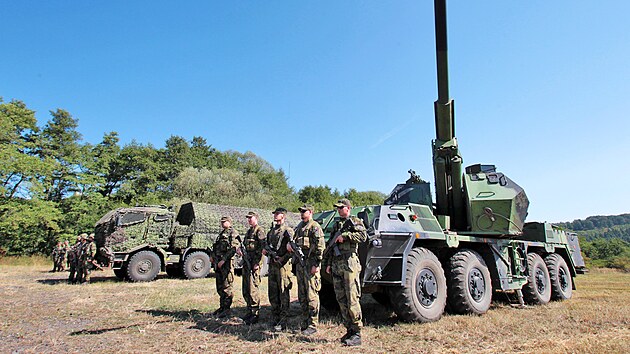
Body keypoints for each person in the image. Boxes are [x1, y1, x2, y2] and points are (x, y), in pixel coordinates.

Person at [323, 198, 367, 346]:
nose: (339, 210)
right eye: (338, 208)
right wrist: (328, 264)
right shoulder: (336, 224)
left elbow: (363, 236)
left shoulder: (355, 221)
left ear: (348, 208)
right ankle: (348, 329)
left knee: (352, 298)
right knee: (341, 298)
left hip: (349, 263)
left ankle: (357, 332)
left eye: (342, 208)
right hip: (336, 264)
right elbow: (331, 246)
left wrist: (346, 236)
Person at [287, 204, 325, 335]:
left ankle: (313, 324)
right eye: (301, 211)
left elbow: (320, 247)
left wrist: (316, 264)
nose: (302, 213)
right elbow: (294, 242)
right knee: (302, 295)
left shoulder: (314, 227)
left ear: (311, 212)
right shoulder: (299, 227)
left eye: (304, 211)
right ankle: (304, 322)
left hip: (310, 266)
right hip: (300, 266)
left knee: (311, 296)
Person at [263, 207, 294, 331]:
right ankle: (275, 317)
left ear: (283, 216)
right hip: (273, 265)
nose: (275, 216)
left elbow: (292, 248)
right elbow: (267, 244)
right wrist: (269, 253)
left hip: (283, 266)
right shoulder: (271, 231)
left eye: (277, 214)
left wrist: (282, 258)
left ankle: (284, 320)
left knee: (283, 292)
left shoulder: (288, 230)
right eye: (274, 214)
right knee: (273, 292)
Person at [238, 211, 265, 325]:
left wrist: (257, 263)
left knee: (253, 288)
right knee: (246, 288)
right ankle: (249, 310)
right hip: (246, 263)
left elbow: (263, 248)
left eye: (251, 218)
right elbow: (245, 245)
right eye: (248, 218)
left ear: (256, 218)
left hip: (254, 264)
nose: (249, 220)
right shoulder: (249, 231)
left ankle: (255, 313)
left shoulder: (259, 231)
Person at [210, 216, 239, 318]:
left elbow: (233, 248)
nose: (222, 223)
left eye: (224, 222)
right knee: (220, 286)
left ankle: (227, 309)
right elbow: (216, 246)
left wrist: (223, 260)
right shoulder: (222, 234)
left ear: (229, 222)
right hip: (219, 263)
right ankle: (222, 307)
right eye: (221, 222)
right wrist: (212, 256)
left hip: (226, 263)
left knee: (227, 286)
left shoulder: (233, 233)